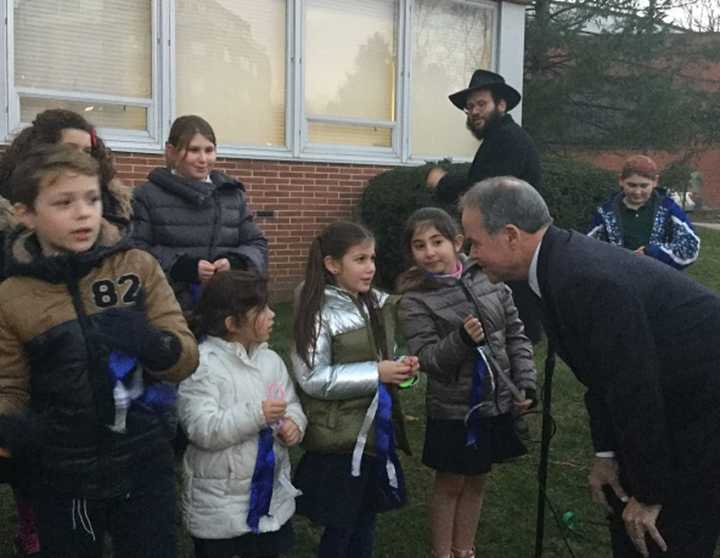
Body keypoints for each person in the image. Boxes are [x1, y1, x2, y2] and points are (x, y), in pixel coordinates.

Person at [460, 175, 720, 558]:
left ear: (511, 235)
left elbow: (634, 388)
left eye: (474, 242)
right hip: (674, 403)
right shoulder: (557, 264)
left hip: (699, 412)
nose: (469, 255)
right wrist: (606, 454)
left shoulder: (583, 279)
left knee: (669, 538)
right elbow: (603, 378)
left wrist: (649, 494)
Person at [0, 144, 199, 558]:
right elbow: (9, 387)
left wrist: (155, 345)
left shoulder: (136, 266)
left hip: (145, 461)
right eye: (64, 202)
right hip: (65, 475)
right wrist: (14, 427)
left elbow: (186, 357)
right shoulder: (12, 296)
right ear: (26, 213)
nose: (84, 213)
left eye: (92, 199)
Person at [396, 207, 537, 558]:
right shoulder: (415, 299)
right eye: (419, 245)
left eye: (437, 241)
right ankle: (442, 552)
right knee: (451, 482)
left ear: (457, 242)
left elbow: (516, 335)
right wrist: (461, 339)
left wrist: (526, 383)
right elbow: (428, 359)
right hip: (454, 409)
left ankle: (465, 548)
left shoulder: (488, 278)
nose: (429, 252)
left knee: (477, 480)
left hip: (495, 401)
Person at [291, 221, 419, 558]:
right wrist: (376, 372)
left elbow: (382, 358)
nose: (371, 268)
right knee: (342, 526)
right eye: (360, 259)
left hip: (376, 432)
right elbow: (312, 378)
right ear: (332, 265)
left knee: (365, 519)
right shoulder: (317, 311)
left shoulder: (375, 304)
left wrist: (402, 369)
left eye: (372, 258)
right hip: (340, 440)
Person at [178, 270, 306, 558]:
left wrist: (294, 425)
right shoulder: (203, 366)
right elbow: (202, 428)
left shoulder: (270, 360)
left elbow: (291, 404)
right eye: (262, 310)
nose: (273, 314)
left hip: (271, 500)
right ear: (232, 323)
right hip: (220, 510)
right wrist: (256, 415)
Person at [426, 70, 544, 344]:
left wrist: (443, 182)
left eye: (481, 104)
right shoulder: (499, 138)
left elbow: (485, 187)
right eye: (469, 107)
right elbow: (479, 178)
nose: (473, 112)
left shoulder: (507, 139)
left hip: (510, 241)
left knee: (514, 317)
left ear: (501, 104)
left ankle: (517, 353)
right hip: (507, 239)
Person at [131, 114, 268, 311]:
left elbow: (257, 244)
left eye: (209, 150)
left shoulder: (231, 195)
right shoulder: (146, 196)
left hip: (226, 306)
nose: (203, 159)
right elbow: (136, 251)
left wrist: (235, 262)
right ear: (171, 151)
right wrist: (182, 267)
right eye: (193, 150)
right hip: (170, 307)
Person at [588, 155, 699, 270]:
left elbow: (691, 247)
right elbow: (590, 247)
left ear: (655, 181)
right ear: (621, 180)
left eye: (644, 186)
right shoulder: (606, 212)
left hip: (659, 280)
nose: (637, 192)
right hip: (617, 279)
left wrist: (652, 252)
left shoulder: (669, 209)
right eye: (632, 185)